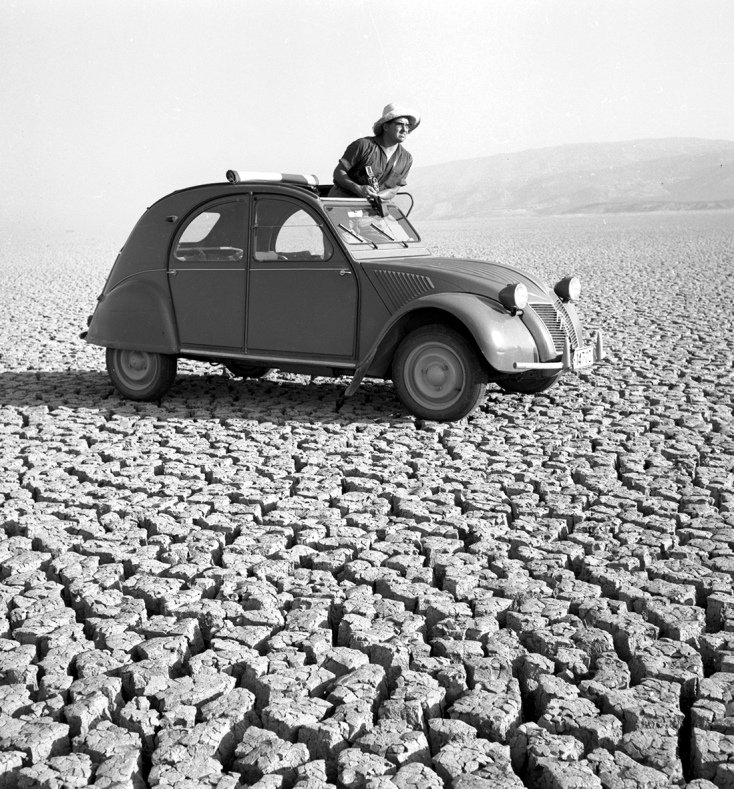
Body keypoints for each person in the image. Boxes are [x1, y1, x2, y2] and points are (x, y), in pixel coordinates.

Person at [329, 103, 420, 199]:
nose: (405, 129)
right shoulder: (363, 145)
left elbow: (393, 190)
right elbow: (338, 172)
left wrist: (375, 197)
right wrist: (357, 188)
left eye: (408, 125)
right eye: (400, 124)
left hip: (371, 206)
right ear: (386, 127)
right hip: (341, 203)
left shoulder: (406, 158)